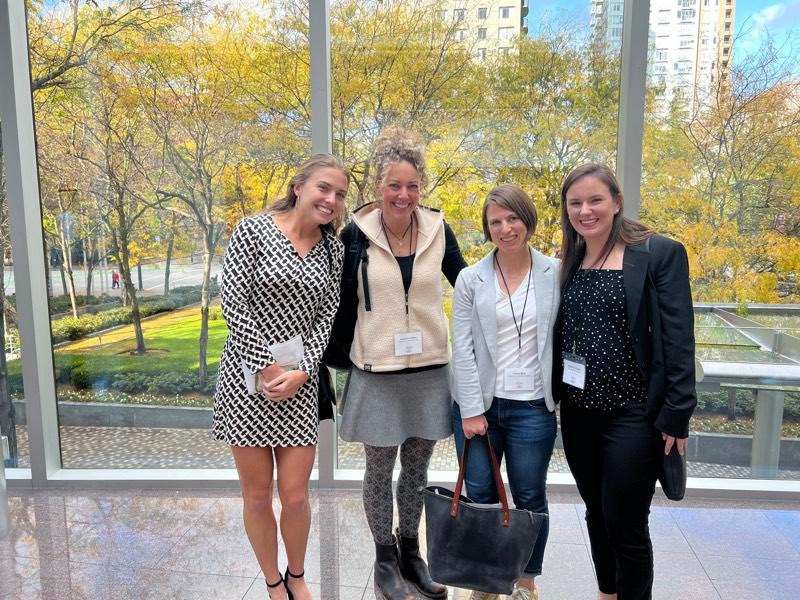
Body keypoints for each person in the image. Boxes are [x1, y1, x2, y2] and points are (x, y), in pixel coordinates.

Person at [554, 163, 696, 600]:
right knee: (597, 514)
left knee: (626, 521)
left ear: (616, 202)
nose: (585, 210)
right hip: (578, 414)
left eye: (595, 199)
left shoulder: (659, 253)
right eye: (575, 202)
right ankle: (607, 592)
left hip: (634, 414)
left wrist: (678, 414)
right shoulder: (571, 258)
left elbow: (679, 338)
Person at [338, 126, 466, 600]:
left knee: (416, 470)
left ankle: (413, 553)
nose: (404, 194)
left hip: (429, 370)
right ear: (378, 186)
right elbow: (333, 299)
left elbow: (469, 284)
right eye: (395, 184)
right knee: (379, 469)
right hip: (377, 373)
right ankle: (384, 558)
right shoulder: (356, 234)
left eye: (412, 186)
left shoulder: (437, 229)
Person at [213, 154, 349, 600]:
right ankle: (273, 582)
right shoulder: (252, 231)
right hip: (247, 383)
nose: (331, 200)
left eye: (340, 194)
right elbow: (233, 301)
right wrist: (267, 367)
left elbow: (326, 316)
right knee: (256, 496)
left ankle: (297, 574)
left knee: (294, 496)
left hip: (300, 384)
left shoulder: (333, 248)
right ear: (299, 187)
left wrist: (302, 370)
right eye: (324, 188)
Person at [450, 184, 560, 600]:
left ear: (526, 220)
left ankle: (527, 580)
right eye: (495, 221)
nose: (505, 228)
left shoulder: (554, 272)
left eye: (512, 218)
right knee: (480, 494)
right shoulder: (470, 278)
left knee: (530, 495)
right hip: (481, 408)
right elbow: (461, 346)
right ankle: (488, 579)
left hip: (534, 406)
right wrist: (472, 410)